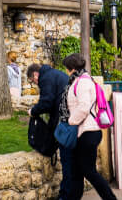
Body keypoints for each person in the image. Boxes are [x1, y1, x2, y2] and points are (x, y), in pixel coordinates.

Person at [62, 53, 116, 200]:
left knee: (88, 171)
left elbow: (84, 107)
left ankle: (110, 198)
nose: (66, 71)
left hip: (88, 132)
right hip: (86, 132)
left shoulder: (82, 83)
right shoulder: (84, 80)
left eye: (67, 68)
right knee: (78, 171)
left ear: (72, 68)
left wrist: (70, 121)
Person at [28, 62, 72, 200]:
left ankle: (66, 195)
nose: (35, 83)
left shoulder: (46, 78)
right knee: (71, 159)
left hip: (64, 122)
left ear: (35, 74)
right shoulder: (56, 74)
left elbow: (47, 102)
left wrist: (33, 111)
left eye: (33, 81)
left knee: (67, 160)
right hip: (70, 119)